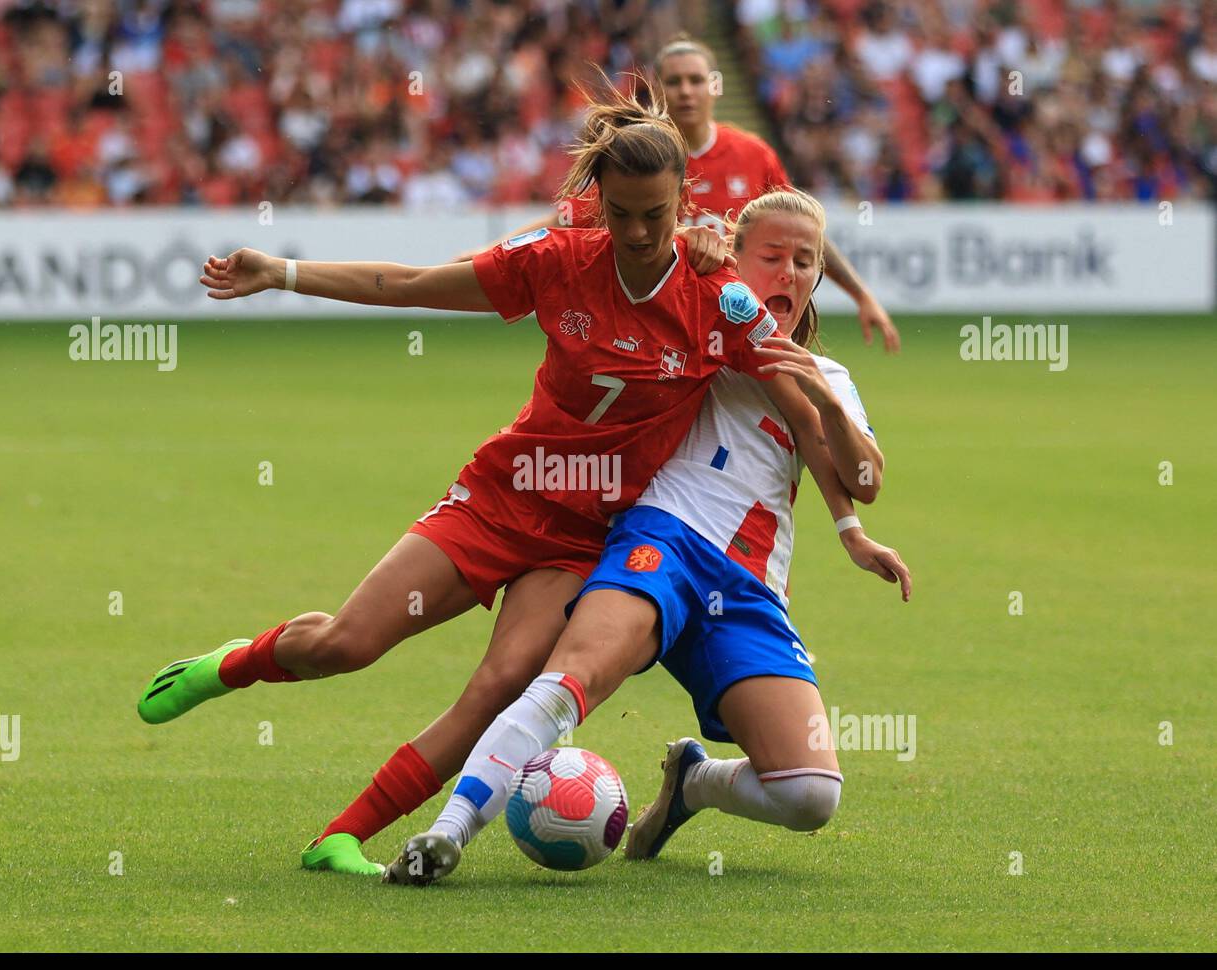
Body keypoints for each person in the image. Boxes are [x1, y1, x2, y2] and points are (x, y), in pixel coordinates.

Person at [136, 80, 802, 877]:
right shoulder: (557, 261)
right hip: (501, 496)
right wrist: (279, 271)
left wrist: (851, 511)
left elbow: (793, 337)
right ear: (595, 200)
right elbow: (413, 284)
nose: (636, 230)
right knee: (349, 643)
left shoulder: (710, 289)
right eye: (619, 212)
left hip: (585, 536)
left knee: (500, 684)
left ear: (683, 198)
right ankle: (231, 664)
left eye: (655, 215)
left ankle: (341, 836)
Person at [382, 186, 911, 884]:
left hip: (749, 584)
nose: (788, 273)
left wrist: (826, 407)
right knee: (571, 680)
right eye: (772, 256)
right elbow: (642, 251)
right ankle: (447, 833)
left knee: (811, 794)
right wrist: (695, 237)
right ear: (735, 255)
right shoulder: (688, 324)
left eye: (805, 261)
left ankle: (694, 782)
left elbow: (866, 475)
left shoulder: (830, 376)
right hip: (660, 539)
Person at [461, 35, 902, 353]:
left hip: (729, 332)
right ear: (660, 89)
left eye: (696, 80)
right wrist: (490, 254)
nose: (686, 91)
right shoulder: (639, 158)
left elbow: (801, 233)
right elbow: (565, 221)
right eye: (675, 82)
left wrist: (861, 295)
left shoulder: (752, 155)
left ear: (714, 87)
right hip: (656, 337)